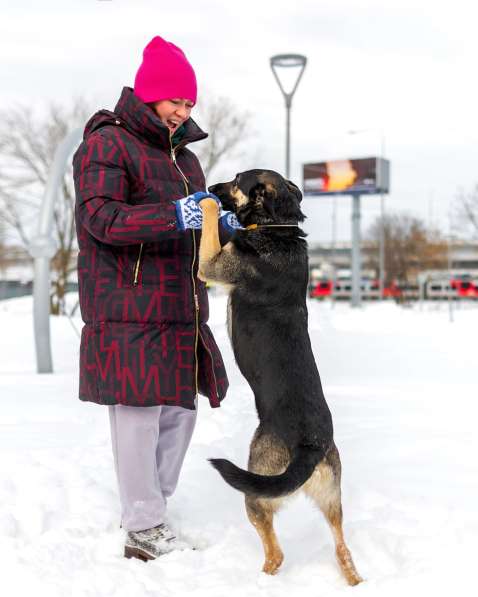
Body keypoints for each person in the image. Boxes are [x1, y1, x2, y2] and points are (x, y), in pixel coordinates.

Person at [73, 35, 240, 562]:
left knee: (180, 411)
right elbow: (100, 218)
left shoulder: (185, 159)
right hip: (127, 304)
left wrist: (223, 227)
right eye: (175, 101)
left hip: (180, 304)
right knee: (138, 414)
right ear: (148, 95)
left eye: (189, 103)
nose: (181, 112)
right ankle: (143, 524)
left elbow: (195, 229)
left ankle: (152, 510)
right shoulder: (107, 143)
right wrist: (175, 215)